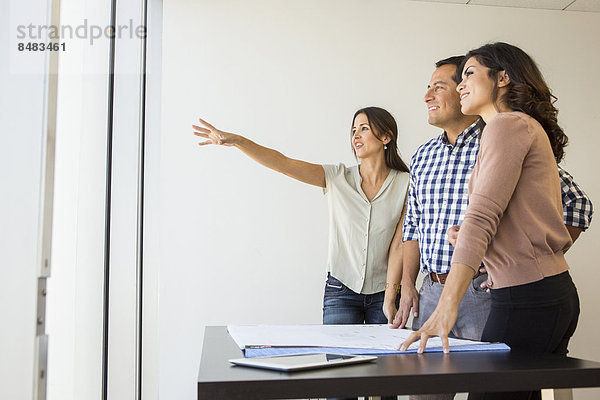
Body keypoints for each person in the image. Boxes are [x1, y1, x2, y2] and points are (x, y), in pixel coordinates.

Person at [394, 54, 593, 400]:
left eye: (467, 75)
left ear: (501, 78)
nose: (460, 85)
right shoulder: (514, 127)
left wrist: (449, 302)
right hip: (533, 291)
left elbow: (483, 216)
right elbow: (505, 217)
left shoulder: (504, 126)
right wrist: (475, 239)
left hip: (511, 293)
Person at [192, 107, 409, 327]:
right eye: (354, 130)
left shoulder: (405, 184)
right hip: (341, 292)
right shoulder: (336, 177)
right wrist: (238, 141)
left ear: (386, 136)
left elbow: (399, 246)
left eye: (364, 128)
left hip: (386, 291)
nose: (356, 136)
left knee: (386, 362)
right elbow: (283, 164)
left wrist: (391, 297)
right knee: (340, 362)